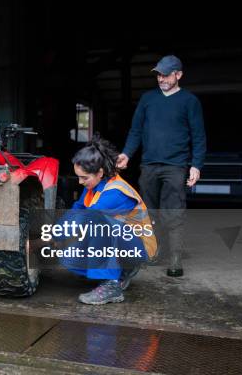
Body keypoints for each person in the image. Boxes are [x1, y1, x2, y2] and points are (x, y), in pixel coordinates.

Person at [116, 55, 206, 277]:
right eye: (159, 74)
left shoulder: (189, 101)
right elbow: (136, 130)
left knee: (173, 211)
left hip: (175, 166)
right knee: (148, 212)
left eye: (166, 74)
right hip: (149, 165)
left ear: (179, 75)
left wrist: (196, 165)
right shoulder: (148, 99)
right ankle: (154, 251)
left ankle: (175, 259)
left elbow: (198, 136)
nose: (161, 79)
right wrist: (127, 153)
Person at [61, 136, 157, 305]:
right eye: (79, 177)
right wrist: (52, 235)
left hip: (138, 247)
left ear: (99, 173)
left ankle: (111, 286)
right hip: (121, 243)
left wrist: (43, 241)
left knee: (98, 224)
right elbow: (77, 209)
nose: (80, 182)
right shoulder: (94, 186)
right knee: (68, 258)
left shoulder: (116, 191)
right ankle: (120, 273)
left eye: (84, 177)